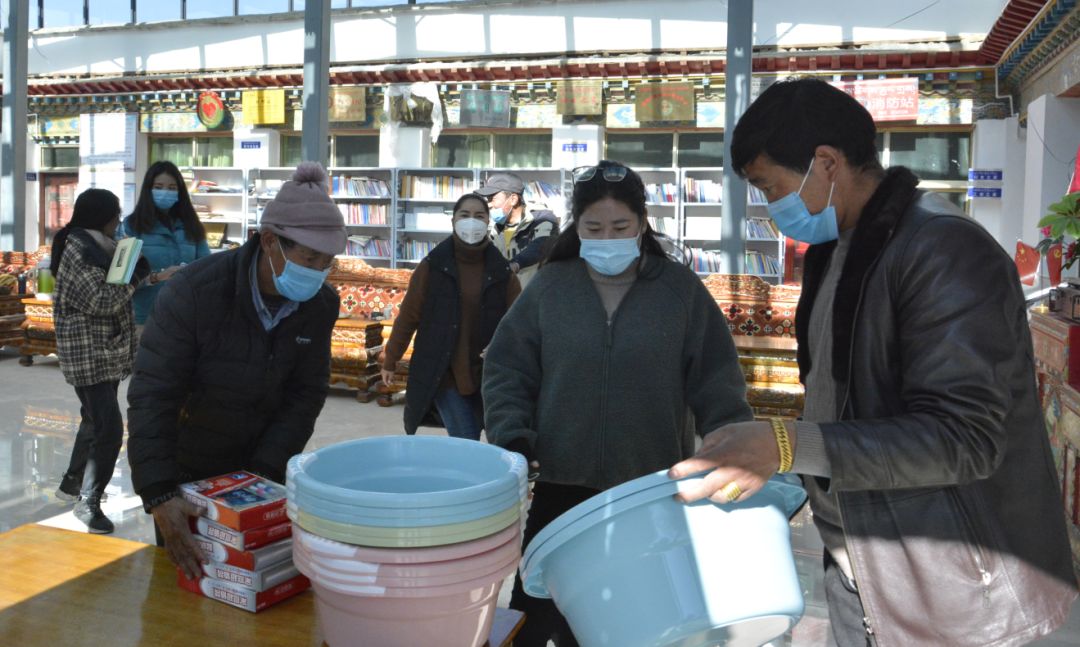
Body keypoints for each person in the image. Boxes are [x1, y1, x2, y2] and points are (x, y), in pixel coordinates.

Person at [668, 78, 1078, 647]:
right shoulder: (838, 249)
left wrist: (788, 445)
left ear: (826, 163)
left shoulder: (944, 251)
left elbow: (965, 437)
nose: (771, 206)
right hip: (865, 566)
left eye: (770, 186)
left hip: (951, 587)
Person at [482, 160, 754, 646]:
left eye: (620, 227)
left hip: (649, 489)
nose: (607, 237)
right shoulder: (550, 287)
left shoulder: (679, 291)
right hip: (559, 487)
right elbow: (507, 368)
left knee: (635, 621)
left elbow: (717, 379)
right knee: (537, 617)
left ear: (642, 224)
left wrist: (730, 445)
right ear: (577, 227)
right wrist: (512, 437)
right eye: (594, 227)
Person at [127, 162, 344, 579]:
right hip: (186, 476)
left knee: (252, 592)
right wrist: (159, 493)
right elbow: (154, 392)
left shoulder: (320, 304)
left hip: (261, 477)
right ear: (268, 241)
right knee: (185, 598)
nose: (317, 270)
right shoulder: (194, 292)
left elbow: (306, 393)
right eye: (309, 256)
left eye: (327, 261)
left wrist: (262, 474)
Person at [381, 193, 521, 439]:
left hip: (486, 373)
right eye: (464, 215)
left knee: (495, 438)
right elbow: (409, 316)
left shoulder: (501, 271)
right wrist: (391, 358)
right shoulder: (432, 266)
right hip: (443, 371)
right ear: (453, 221)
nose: (471, 221)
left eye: (479, 216)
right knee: (465, 439)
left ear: (488, 221)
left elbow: (519, 322)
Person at [52, 188, 150, 534]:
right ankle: (89, 502)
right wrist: (136, 278)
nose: (117, 223)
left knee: (94, 420)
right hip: (88, 353)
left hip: (103, 351)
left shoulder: (98, 247)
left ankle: (72, 483)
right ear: (101, 217)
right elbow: (100, 299)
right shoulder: (78, 249)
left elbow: (112, 288)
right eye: (114, 216)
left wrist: (145, 274)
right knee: (109, 427)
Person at [119, 161, 210, 327]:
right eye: (159, 186)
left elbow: (208, 268)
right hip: (145, 317)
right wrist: (157, 277)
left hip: (185, 316)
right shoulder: (131, 226)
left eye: (172, 188)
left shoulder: (192, 225)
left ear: (180, 191)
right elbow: (121, 280)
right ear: (148, 189)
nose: (165, 192)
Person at [475, 172, 558, 289]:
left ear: (513, 199)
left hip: (534, 300)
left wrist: (515, 264)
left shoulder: (542, 219)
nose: (488, 205)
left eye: (492, 199)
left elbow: (541, 246)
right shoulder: (496, 228)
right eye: (487, 200)